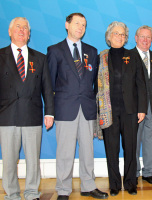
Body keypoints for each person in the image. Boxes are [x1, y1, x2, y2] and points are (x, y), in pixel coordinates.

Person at [47, 13, 108, 200]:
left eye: (83, 24)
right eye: (76, 23)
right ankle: (63, 189)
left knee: (88, 150)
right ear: (67, 24)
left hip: (87, 108)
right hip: (65, 108)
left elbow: (95, 81)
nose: (80, 27)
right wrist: (49, 111)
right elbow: (48, 84)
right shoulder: (55, 50)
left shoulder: (91, 50)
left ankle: (88, 185)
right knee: (64, 151)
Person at [0, 17, 54, 200]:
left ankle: (32, 192)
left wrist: (50, 113)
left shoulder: (40, 58)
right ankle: (12, 194)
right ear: (10, 32)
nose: (22, 30)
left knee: (33, 159)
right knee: (8, 161)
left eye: (25, 28)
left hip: (32, 115)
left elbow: (47, 88)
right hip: (7, 117)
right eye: (18, 27)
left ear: (29, 34)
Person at [97, 21, 147, 196]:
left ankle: (131, 183)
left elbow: (141, 84)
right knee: (111, 149)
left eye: (123, 34)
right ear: (109, 36)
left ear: (126, 38)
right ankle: (115, 184)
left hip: (130, 110)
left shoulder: (133, 56)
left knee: (131, 148)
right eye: (116, 33)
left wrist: (142, 108)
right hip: (109, 111)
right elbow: (96, 87)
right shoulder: (101, 57)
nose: (120, 37)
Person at [132, 25, 152, 185]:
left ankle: (148, 172)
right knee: (135, 140)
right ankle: (134, 172)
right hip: (135, 107)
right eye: (142, 36)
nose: (145, 40)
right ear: (136, 38)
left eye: (148, 37)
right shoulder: (128, 56)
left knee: (150, 140)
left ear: (151, 39)